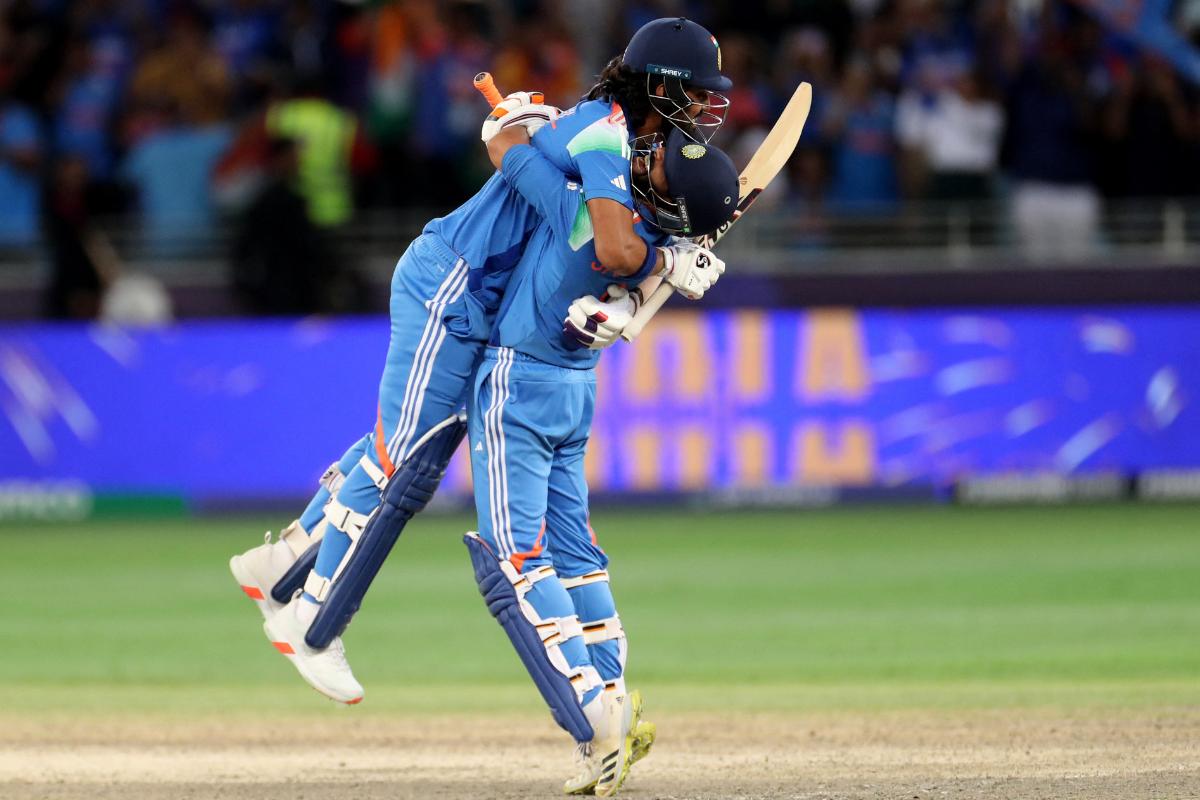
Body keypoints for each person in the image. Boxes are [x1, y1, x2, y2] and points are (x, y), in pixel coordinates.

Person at [228, 17, 734, 706]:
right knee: (404, 457)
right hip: (455, 284)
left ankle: (283, 560)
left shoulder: (624, 140)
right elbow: (607, 244)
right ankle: (309, 624)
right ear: (662, 86)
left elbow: (568, 222)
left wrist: (636, 282)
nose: (708, 107)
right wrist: (663, 261)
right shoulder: (607, 132)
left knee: (403, 441)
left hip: (482, 301)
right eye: (699, 93)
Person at [465, 123, 738, 796]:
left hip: (517, 382)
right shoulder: (657, 245)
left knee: (517, 561)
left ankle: (594, 720)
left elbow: (511, 156)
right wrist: (666, 266)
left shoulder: (586, 212)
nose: (646, 159)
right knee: (576, 554)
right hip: (573, 388)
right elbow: (634, 260)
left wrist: (507, 127)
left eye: (658, 163)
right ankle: (615, 698)